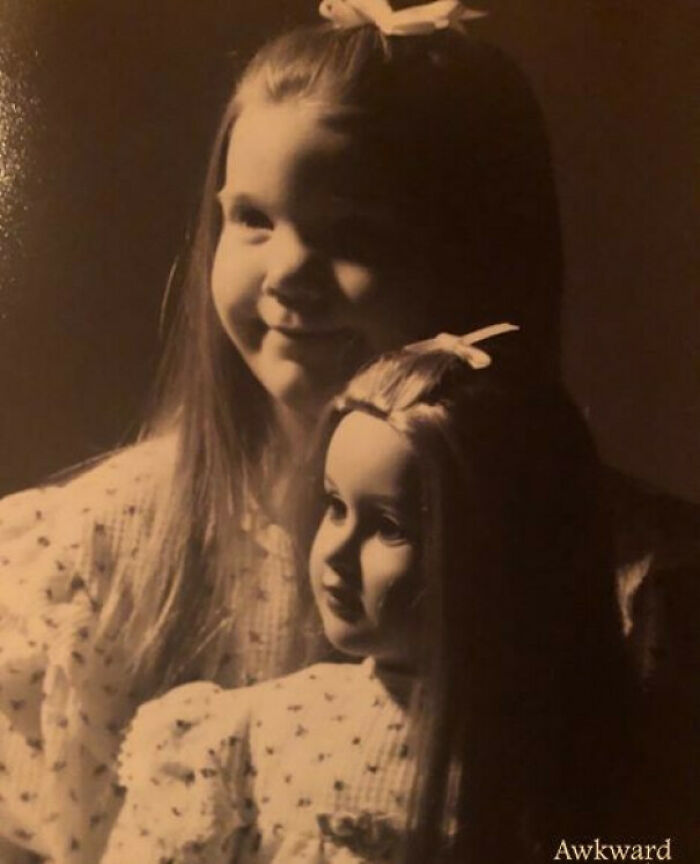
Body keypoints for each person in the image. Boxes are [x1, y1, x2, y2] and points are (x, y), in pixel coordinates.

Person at [0, 2, 695, 861]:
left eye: (354, 234)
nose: (288, 274)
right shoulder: (88, 558)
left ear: (483, 260)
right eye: (251, 218)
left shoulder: (639, 587)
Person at [101, 327, 632, 864]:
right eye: (335, 506)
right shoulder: (255, 735)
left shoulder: (576, 763)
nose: (336, 551)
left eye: (389, 525)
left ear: (501, 550)